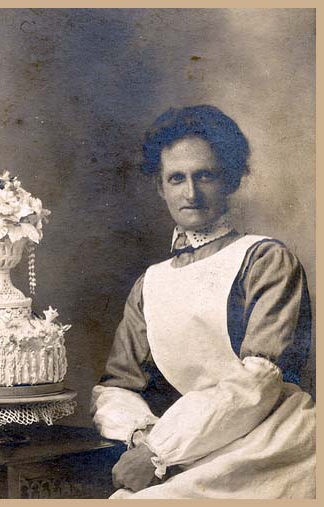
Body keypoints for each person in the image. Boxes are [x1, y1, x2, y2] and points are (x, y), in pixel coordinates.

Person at [91, 105, 315, 499]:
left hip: (275, 445)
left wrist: (160, 450)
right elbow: (117, 387)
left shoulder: (265, 260)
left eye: (205, 175)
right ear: (161, 187)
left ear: (230, 180)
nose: (190, 193)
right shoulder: (151, 283)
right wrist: (143, 436)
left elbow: (258, 383)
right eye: (176, 178)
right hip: (194, 447)